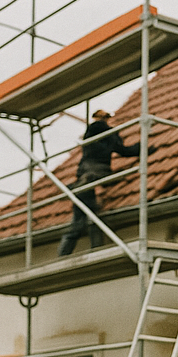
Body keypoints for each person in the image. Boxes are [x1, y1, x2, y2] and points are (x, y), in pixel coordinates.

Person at [57, 109, 142, 257]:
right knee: (83, 220)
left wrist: (143, 147)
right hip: (87, 178)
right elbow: (99, 130)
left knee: (89, 217)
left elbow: (123, 150)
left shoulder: (107, 136)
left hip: (91, 176)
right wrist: (113, 130)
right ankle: (70, 254)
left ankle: (92, 251)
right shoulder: (95, 131)